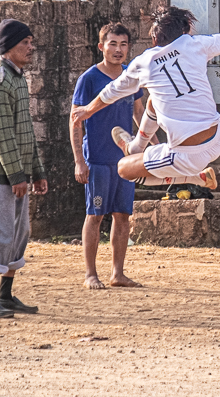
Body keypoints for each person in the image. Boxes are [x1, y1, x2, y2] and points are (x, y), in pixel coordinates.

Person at [70, 0, 220, 191]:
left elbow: (111, 92)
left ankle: (197, 178)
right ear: (183, 31)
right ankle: (137, 145)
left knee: (124, 169)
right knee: (154, 100)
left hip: (186, 157)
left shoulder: (144, 62)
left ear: (154, 38)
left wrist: (87, 110)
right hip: (218, 135)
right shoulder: (195, 44)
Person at [0, 19, 48, 318]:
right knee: (0, 233)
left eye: (31, 41)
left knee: (19, 232)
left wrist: (37, 171)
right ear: (9, 47)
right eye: (25, 43)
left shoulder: (17, 78)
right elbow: (2, 135)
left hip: (15, 171)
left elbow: (26, 131)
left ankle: (5, 293)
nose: (31, 47)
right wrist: (18, 176)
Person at [70, 22, 145, 289]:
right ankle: (90, 274)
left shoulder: (131, 77)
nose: (118, 50)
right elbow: (75, 120)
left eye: (123, 44)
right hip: (98, 159)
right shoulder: (89, 79)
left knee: (122, 216)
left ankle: (118, 274)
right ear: (101, 47)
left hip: (125, 161)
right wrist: (80, 160)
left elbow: (140, 113)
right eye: (112, 44)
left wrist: (154, 146)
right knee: (95, 215)